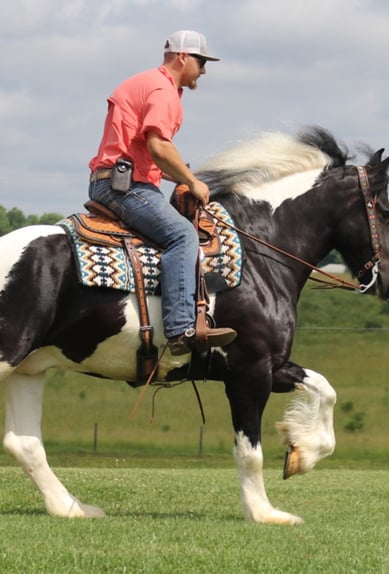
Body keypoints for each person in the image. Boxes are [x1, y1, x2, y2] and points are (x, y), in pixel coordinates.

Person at [88, 30, 237, 356]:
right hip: (125, 186)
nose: (204, 70)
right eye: (201, 62)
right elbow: (158, 145)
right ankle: (181, 329)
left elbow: (151, 155)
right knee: (183, 235)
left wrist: (182, 177)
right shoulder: (163, 90)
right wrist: (192, 182)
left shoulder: (148, 84)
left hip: (117, 178)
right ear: (182, 57)